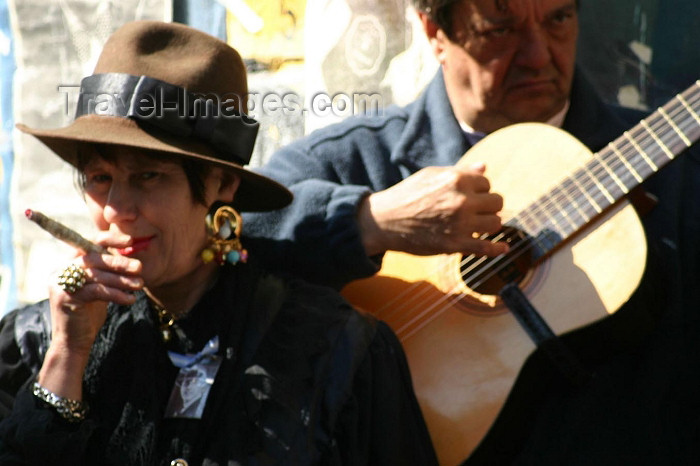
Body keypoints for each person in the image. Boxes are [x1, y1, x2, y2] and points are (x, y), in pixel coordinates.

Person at [243, 0, 700, 464]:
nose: (538, 55)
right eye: (500, 30)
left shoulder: (681, 170)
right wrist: (368, 222)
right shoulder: (358, 160)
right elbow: (223, 228)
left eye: (558, 18)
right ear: (433, 31)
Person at [0, 21, 438, 466]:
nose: (116, 209)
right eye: (100, 178)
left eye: (148, 175)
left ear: (221, 183)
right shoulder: (35, 341)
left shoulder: (333, 353)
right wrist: (68, 356)